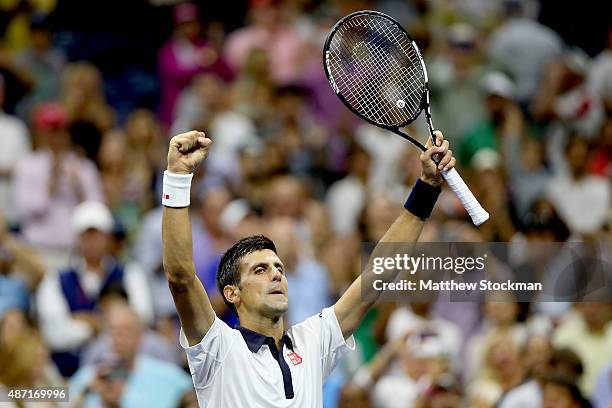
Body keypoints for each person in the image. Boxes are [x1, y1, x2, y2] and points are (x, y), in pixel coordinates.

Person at [161, 129, 455, 406]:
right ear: (232, 293)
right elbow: (181, 276)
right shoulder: (217, 346)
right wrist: (177, 177)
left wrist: (427, 187)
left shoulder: (312, 340)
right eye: (260, 270)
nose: (276, 273)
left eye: (279, 267)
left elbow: (379, 272)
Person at [37, 201, 153, 377]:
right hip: (68, 373)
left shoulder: (130, 273)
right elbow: (55, 334)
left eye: (97, 235)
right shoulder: (55, 279)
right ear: (78, 238)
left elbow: (142, 318)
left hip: (121, 374)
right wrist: (105, 326)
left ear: (108, 237)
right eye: (87, 236)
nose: (92, 242)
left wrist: (86, 321)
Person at [70, 303, 192, 408]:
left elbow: (195, 392)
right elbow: (57, 399)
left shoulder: (167, 375)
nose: (119, 338)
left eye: (126, 331)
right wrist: (85, 392)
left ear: (140, 336)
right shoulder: (88, 377)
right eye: (113, 331)